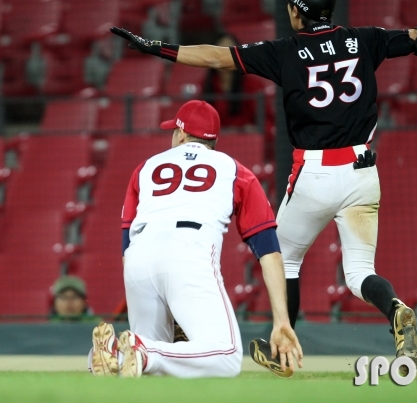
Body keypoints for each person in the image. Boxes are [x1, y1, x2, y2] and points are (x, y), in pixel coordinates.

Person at [110, 0, 417, 375]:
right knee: (360, 272)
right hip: (363, 171)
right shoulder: (365, 40)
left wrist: (159, 49)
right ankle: (396, 308)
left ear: (296, 11)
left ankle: (283, 346)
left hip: (315, 172)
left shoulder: (287, 51)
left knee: (284, 259)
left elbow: (218, 57)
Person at [89, 100, 302, 378]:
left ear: (180, 134)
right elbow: (269, 250)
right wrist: (282, 320)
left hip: (138, 257)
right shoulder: (236, 170)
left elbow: (126, 245)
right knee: (226, 356)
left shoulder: (145, 168)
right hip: (189, 250)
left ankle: (112, 351)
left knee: (152, 366)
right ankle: (142, 350)